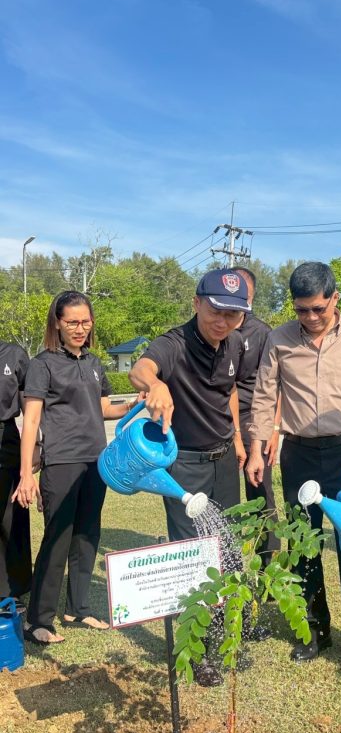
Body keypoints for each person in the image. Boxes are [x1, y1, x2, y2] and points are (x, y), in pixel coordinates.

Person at [246, 261, 341, 673]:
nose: (309, 317)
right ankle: (314, 629)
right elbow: (264, 396)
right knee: (303, 545)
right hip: (300, 455)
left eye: (318, 309)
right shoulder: (278, 339)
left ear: (334, 299)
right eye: (301, 310)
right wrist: (256, 449)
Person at [129, 267, 252, 686]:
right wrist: (155, 385)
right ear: (197, 303)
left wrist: (237, 439)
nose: (223, 321)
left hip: (223, 460)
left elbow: (229, 390)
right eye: (216, 310)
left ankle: (227, 635)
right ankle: (196, 652)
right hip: (184, 465)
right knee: (193, 558)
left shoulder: (234, 343)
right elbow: (141, 369)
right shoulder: (173, 344)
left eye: (233, 314)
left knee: (228, 547)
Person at [13, 291, 137, 646]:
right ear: (58, 323)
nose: (80, 328)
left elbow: (103, 409)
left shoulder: (95, 363)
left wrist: (135, 403)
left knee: (87, 534)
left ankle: (78, 609)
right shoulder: (43, 364)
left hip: (97, 461)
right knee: (58, 538)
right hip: (61, 462)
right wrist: (26, 473)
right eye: (72, 322)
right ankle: (38, 619)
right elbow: (31, 419)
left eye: (85, 322)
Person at [234, 267, 281, 568]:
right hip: (221, 417)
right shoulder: (216, 326)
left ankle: (269, 558)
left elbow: (279, 383)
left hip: (256, 416)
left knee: (260, 486)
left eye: (244, 295)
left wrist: (274, 429)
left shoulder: (263, 333)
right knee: (223, 489)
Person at [0, 340, 33, 612]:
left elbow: (31, 408)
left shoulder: (13, 354)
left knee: (10, 517)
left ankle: (12, 589)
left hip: (6, 437)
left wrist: (38, 445)